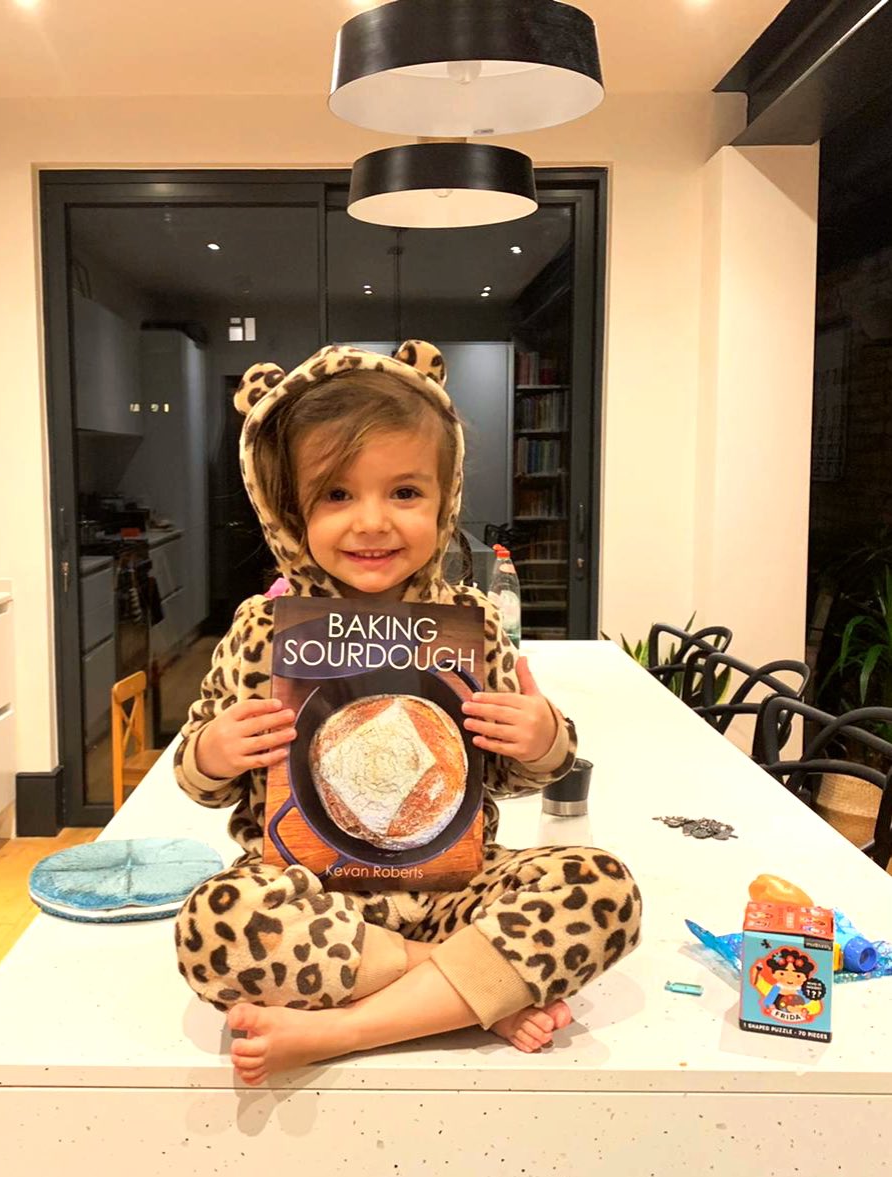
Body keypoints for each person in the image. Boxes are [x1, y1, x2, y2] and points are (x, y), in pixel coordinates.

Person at [174, 340, 641, 1086]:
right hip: (316, 899)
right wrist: (213, 752)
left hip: (459, 889)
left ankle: (345, 1028)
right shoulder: (262, 630)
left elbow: (510, 777)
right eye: (336, 494)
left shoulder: (472, 622)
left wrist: (541, 738)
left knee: (601, 889)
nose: (372, 522)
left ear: (444, 498)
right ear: (288, 508)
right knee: (217, 920)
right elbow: (200, 779)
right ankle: (469, 992)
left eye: (404, 492)